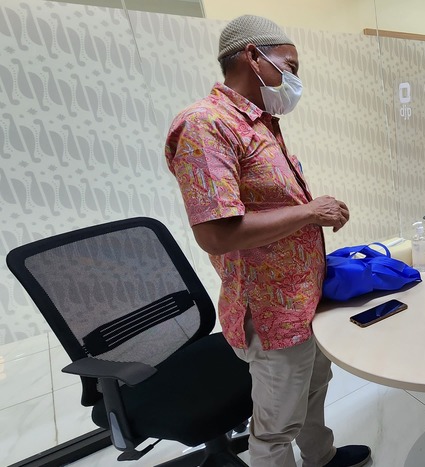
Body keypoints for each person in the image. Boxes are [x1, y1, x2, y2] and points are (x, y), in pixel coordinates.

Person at [164, 15, 371, 467]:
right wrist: (310, 212)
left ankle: (321, 457)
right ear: (252, 56)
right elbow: (216, 234)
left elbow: (269, 204)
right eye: (290, 66)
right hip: (269, 311)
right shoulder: (206, 125)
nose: (295, 79)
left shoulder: (260, 123)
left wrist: (311, 210)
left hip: (303, 297)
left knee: (314, 388)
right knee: (276, 427)